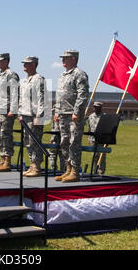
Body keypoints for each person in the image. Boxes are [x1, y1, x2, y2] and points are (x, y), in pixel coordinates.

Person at [53, 50, 89, 182]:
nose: (63, 60)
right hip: (63, 114)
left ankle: (75, 171)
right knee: (64, 142)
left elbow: (83, 94)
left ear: (73, 59)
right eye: (63, 58)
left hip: (73, 116)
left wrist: (77, 112)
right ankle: (67, 169)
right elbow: (59, 96)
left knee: (74, 143)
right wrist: (57, 111)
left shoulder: (79, 74)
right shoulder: (62, 75)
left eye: (66, 58)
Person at [0, 53, 20, 172]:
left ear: (6, 61)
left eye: (0, 61)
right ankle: (2, 159)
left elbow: (14, 93)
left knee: (6, 135)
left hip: (6, 110)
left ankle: (7, 161)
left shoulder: (11, 75)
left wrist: (13, 109)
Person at [18, 56, 47, 177]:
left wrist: (39, 116)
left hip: (34, 115)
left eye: (27, 63)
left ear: (34, 65)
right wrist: (19, 113)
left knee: (35, 141)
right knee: (28, 142)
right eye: (24, 63)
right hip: (25, 115)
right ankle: (32, 164)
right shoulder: (25, 80)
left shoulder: (38, 79)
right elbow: (21, 98)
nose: (24, 65)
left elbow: (42, 99)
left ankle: (37, 166)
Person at [87, 101, 106, 175]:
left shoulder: (104, 116)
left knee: (101, 157)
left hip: (101, 139)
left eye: (97, 107)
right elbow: (89, 128)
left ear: (100, 108)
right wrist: (89, 139)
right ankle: (95, 171)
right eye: (94, 107)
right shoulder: (90, 116)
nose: (95, 108)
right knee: (94, 156)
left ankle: (101, 171)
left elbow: (107, 128)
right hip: (92, 140)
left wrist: (106, 140)